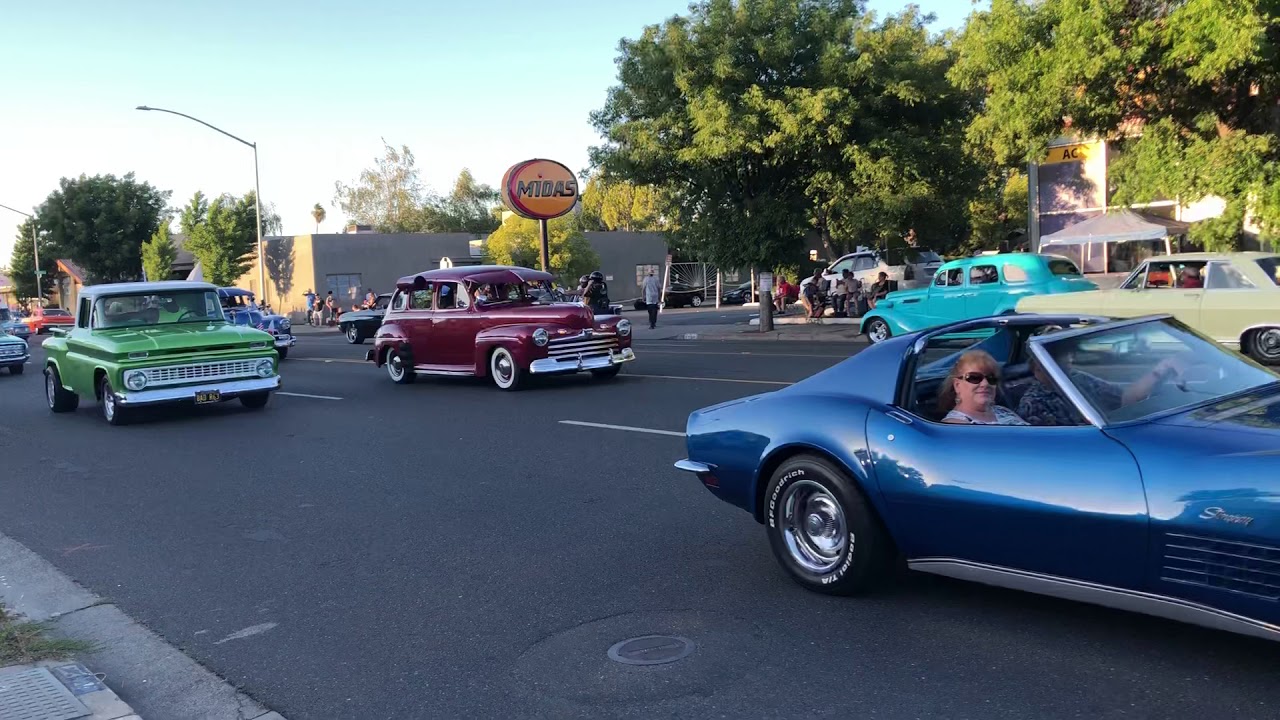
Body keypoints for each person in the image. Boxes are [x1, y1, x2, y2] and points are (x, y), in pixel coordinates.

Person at [1017, 336, 1187, 426]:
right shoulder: (1033, 403)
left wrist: (1161, 369)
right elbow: (1059, 449)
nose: (1069, 360)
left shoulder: (1078, 378)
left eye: (1069, 355)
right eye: (1060, 357)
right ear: (1039, 367)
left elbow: (1126, 398)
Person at [938, 349, 1029, 425]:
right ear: (957, 385)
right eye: (974, 377)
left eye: (991, 378)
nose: (985, 384)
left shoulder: (1002, 410)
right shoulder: (955, 426)